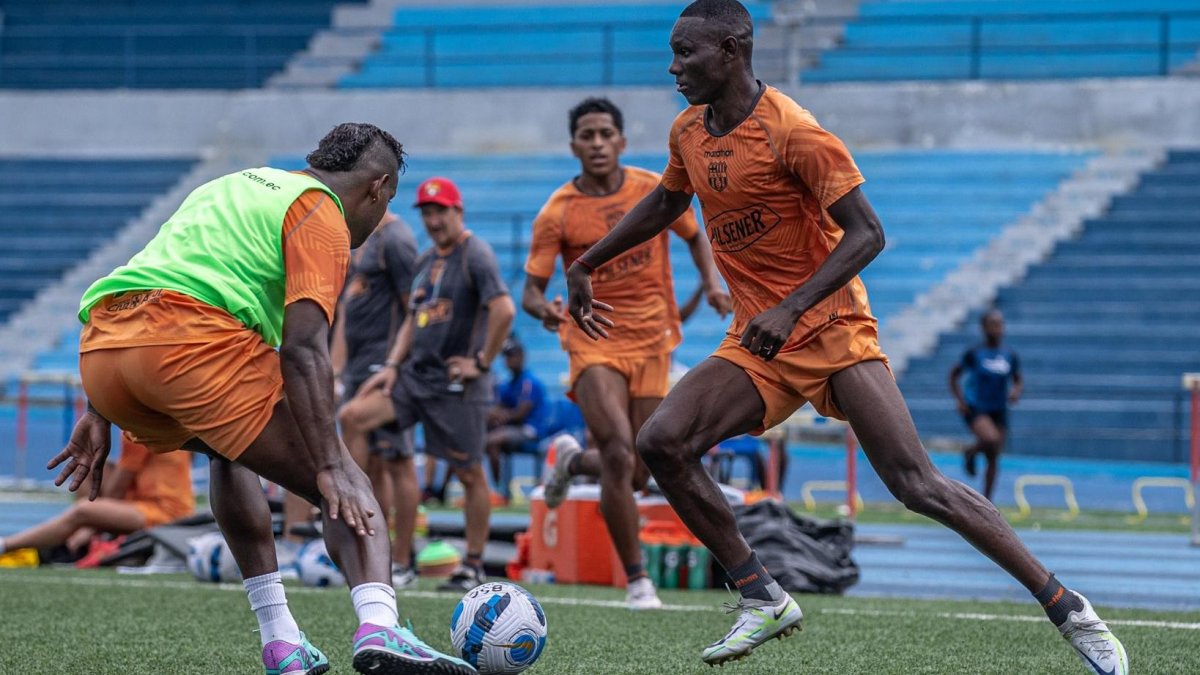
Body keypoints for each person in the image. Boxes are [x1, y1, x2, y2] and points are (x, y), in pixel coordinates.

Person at [563, 2, 1127, 673]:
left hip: (831, 328)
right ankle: (760, 593)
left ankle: (1068, 607)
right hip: (760, 342)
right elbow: (666, 202)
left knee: (917, 484)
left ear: (733, 49)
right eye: (673, 52)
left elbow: (868, 233)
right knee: (663, 442)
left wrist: (792, 306)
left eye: (687, 52)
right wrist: (586, 261)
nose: (673, 66)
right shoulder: (689, 131)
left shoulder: (795, 131)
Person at [52, 124, 475, 675]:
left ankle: (282, 641)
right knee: (347, 484)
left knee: (229, 454)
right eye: (389, 202)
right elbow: (303, 349)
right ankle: (381, 626)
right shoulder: (320, 214)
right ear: (379, 187)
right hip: (189, 341)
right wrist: (329, 462)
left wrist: (97, 407)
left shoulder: (230, 186)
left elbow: (151, 277)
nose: (379, 219)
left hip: (104, 351)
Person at [523, 96, 730, 610]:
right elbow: (530, 290)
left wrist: (711, 283)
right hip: (592, 338)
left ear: (621, 140)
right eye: (586, 135)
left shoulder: (651, 191)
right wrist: (548, 312)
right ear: (574, 145)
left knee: (641, 467)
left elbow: (694, 233)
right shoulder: (558, 212)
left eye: (604, 134)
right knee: (619, 450)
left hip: (654, 338)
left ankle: (573, 463)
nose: (596, 144)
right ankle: (637, 580)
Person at [339, 176, 516, 594]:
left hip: (456, 386)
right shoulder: (425, 261)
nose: (434, 220)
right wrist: (392, 366)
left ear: (458, 211)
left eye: (441, 211)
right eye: (427, 212)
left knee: (470, 473)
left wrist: (481, 362)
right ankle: (370, 542)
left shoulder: (476, 254)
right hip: (415, 378)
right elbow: (409, 319)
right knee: (354, 417)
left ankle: (472, 564)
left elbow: (504, 310)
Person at [332, 211, 421, 588]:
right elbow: (344, 315)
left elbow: (414, 311)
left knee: (397, 460)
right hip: (356, 366)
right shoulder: (359, 237)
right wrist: (335, 372)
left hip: (383, 368)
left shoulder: (396, 239)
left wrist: (395, 365)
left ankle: (402, 560)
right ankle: (376, 553)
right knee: (380, 464)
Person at [0, 438, 193, 564]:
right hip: (148, 503)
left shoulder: (139, 429)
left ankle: (6, 545)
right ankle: (87, 539)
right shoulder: (152, 418)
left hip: (167, 514)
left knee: (82, 511)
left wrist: (91, 524)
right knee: (83, 466)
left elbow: (116, 491)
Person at [949, 308, 1022, 501]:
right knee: (990, 440)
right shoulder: (975, 353)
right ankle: (970, 452)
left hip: (999, 408)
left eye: (1000, 325)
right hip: (977, 406)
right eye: (993, 325)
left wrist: (1015, 391)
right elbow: (954, 376)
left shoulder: (1009, 355)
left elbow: (1017, 379)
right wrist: (960, 400)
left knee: (994, 456)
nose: (997, 329)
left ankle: (988, 502)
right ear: (983, 328)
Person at [484, 336, 547, 499]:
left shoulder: (529, 382)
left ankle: (498, 492)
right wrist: (495, 416)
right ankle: (499, 492)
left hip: (530, 431)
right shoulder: (508, 384)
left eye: (512, 355)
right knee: (485, 440)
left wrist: (501, 416)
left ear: (521, 356)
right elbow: (498, 407)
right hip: (512, 429)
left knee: (493, 440)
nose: (509, 360)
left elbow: (520, 414)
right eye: (506, 356)